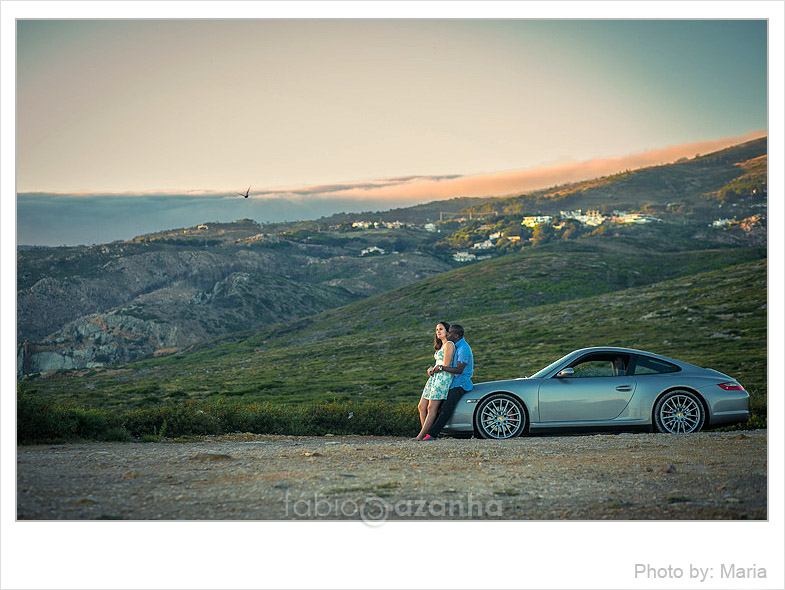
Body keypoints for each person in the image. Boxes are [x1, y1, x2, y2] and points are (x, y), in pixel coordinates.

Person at [420, 323, 473, 441]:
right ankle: (428, 433)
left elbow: (459, 370)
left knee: (446, 408)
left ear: (457, 335)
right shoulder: (455, 345)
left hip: (460, 383)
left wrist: (442, 368)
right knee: (435, 407)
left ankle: (432, 435)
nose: (447, 334)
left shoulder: (463, 348)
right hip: (451, 381)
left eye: (450, 333)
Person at [413, 322, 455, 441]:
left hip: (443, 378)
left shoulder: (449, 344)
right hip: (434, 378)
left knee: (432, 408)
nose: (438, 332)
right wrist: (431, 369)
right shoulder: (440, 346)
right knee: (421, 406)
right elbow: (439, 363)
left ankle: (421, 436)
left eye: (441, 329)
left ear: (447, 331)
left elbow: (446, 365)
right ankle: (426, 433)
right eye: (437, 329)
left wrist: (436, 369)